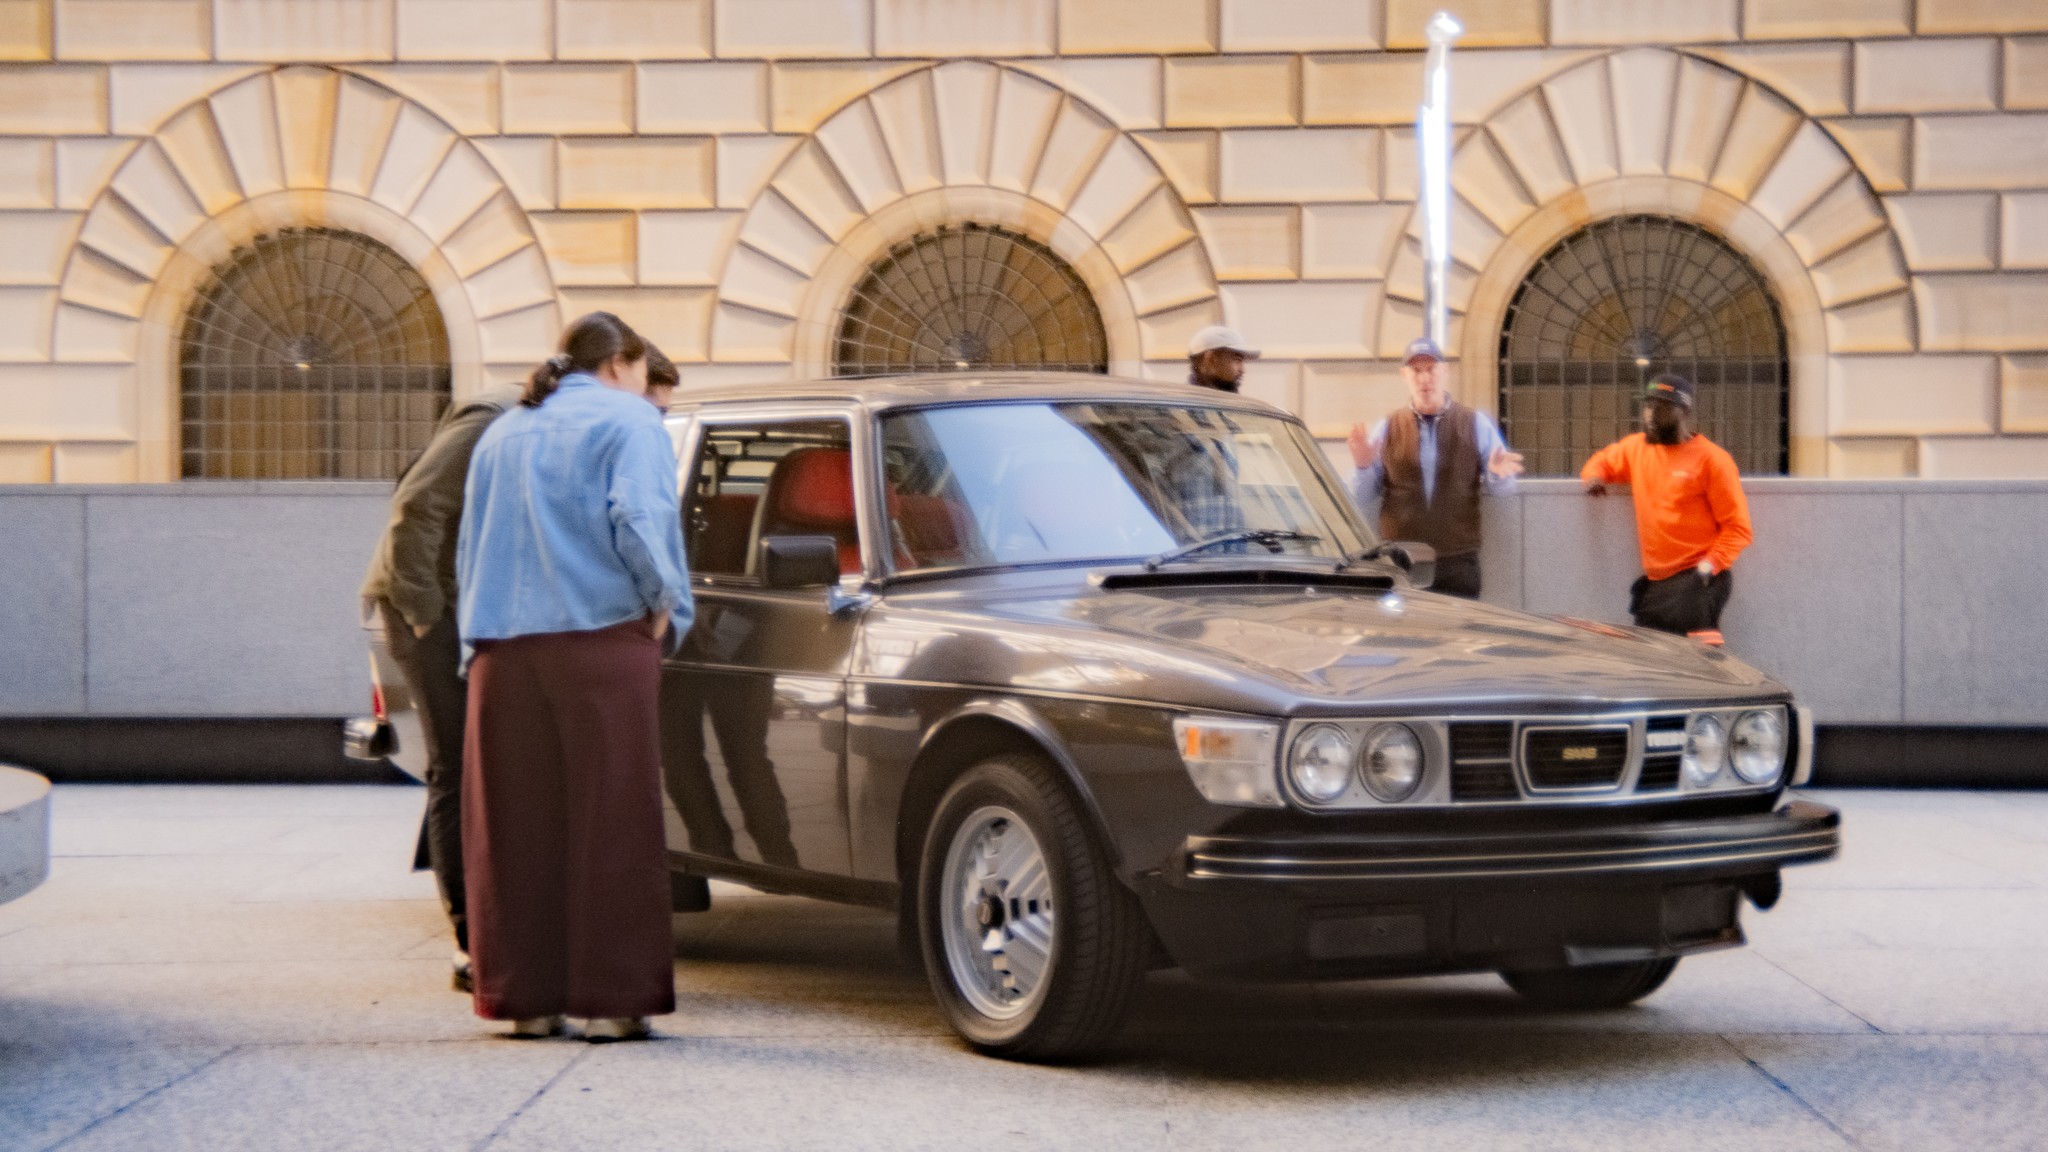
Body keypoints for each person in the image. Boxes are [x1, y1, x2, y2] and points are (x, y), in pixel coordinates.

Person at [456, 312, 692, 1043]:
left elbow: (469, 543)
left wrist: (473, 643)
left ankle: (523, 1001)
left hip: (502, 648)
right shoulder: (630, 422)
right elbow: (639, 517)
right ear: (622, 362)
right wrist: (665, 604)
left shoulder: (503, 429)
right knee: (612, 822)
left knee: (513, 828)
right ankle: (612, 1001)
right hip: (599, 643)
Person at [359, 378, 522, 993]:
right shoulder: (493, 418)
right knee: (457, 768)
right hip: (426, 609)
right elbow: (417, 504)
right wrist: (426, 611)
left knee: (476, 767)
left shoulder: (525, 420)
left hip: (459, 603)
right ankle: (470, 944)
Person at [1580, 373, 1753, 643]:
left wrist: (1709, 567)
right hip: (1657, 583)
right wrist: (1593, 476)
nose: (1650, 415)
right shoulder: (1636, 448)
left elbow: (1738, 529)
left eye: (1661, 408)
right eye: (1647, 406)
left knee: (1699, 665)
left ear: (1684, 411)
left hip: (1698, 577)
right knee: (1652, 666)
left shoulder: (1713, 460)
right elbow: (1602, 461)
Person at [1346, 338, 1523, 599]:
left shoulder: (1474, 423)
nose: (1424, 378)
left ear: (1444, 372)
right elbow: (1362, 497)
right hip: (1402, 560)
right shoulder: (1388, 427)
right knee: (1405, 637)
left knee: (1460, 636)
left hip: (1458, 560)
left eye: (1431, 369)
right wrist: (1362, 466)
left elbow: (1504, 490)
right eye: (1417, 371)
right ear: (1404, 376)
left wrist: (1497, 475)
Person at [1186, 325, 1258, 393]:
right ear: (1211, 359)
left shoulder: (1227, 402)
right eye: (1237, 360)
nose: (1242, 370)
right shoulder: (1189, 403)